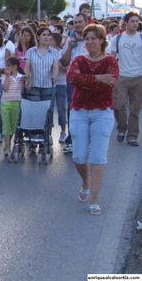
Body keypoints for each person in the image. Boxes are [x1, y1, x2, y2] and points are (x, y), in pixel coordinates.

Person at [67, 24, 119, 215]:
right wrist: (98, 78)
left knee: (98, 156)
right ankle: (85, 181)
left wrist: (87, 80)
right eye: (86, 38)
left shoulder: (111, 61)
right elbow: (72, 78)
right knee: (79, 156)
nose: (89, 42)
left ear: (102, 40)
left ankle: (95, 199)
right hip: (80, 110)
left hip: (102, 112)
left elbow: (110, 83)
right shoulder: (79, 60)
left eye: (93, 38)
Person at [23, 27, 60, 149]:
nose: (46, 37)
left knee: (48, 111)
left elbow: (55, 67)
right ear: (38, 37)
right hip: (34, 85)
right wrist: (27, 74)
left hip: (48, 85)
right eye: (44, 34)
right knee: (35, 112)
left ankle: (47, 135)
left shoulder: (54, 52)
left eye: (48, 35)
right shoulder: (31, 51)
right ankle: (34, 138)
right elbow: (27, 66)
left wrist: (55, 76)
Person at [110, 11, 142, 146]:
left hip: (138, 76)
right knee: (119, 105)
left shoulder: (141, 38)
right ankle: (122, 128)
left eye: (137, 21)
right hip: (121, 76)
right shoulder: (117, 39)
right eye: (132, 21)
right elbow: (112, 58)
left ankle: (132, 136)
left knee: (135, 108)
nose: (135, 24)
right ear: (126, 23)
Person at [60, 13, 87, 153]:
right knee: (72, 108)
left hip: (89, 80)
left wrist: (86, 41)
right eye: (75, 22)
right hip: (73, 80)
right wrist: (70, 47)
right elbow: (63, 62)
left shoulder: (92, 39)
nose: (77, 24)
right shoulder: (70, 39)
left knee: (88, 109)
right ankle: (71, 139)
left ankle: (86, 140)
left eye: (80, 22)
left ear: (86, 23)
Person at [1, 57, 31, 156]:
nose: (6, 67)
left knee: (13, 126)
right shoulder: (4, 76)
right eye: (6, 65)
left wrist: (28, 78)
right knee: (6, 125)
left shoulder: (20, 77)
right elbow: (5, 88)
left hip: (16, 102)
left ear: (15, 67)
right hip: (5, 102)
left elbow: (28, 87)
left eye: (8, 66)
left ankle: (8, 142)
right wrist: (8, 76)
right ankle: (7, 147)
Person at [50, 32, 68, 143]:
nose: (48, 40)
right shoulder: (47, 52)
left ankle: (63, 132)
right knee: (49, 109)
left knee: (61, 109)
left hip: (61, 83)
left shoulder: (62, 53)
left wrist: (58, 65)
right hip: (50, 83)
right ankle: (49, 134)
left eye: (51, 39)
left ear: (56, 41)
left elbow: (67, 69)